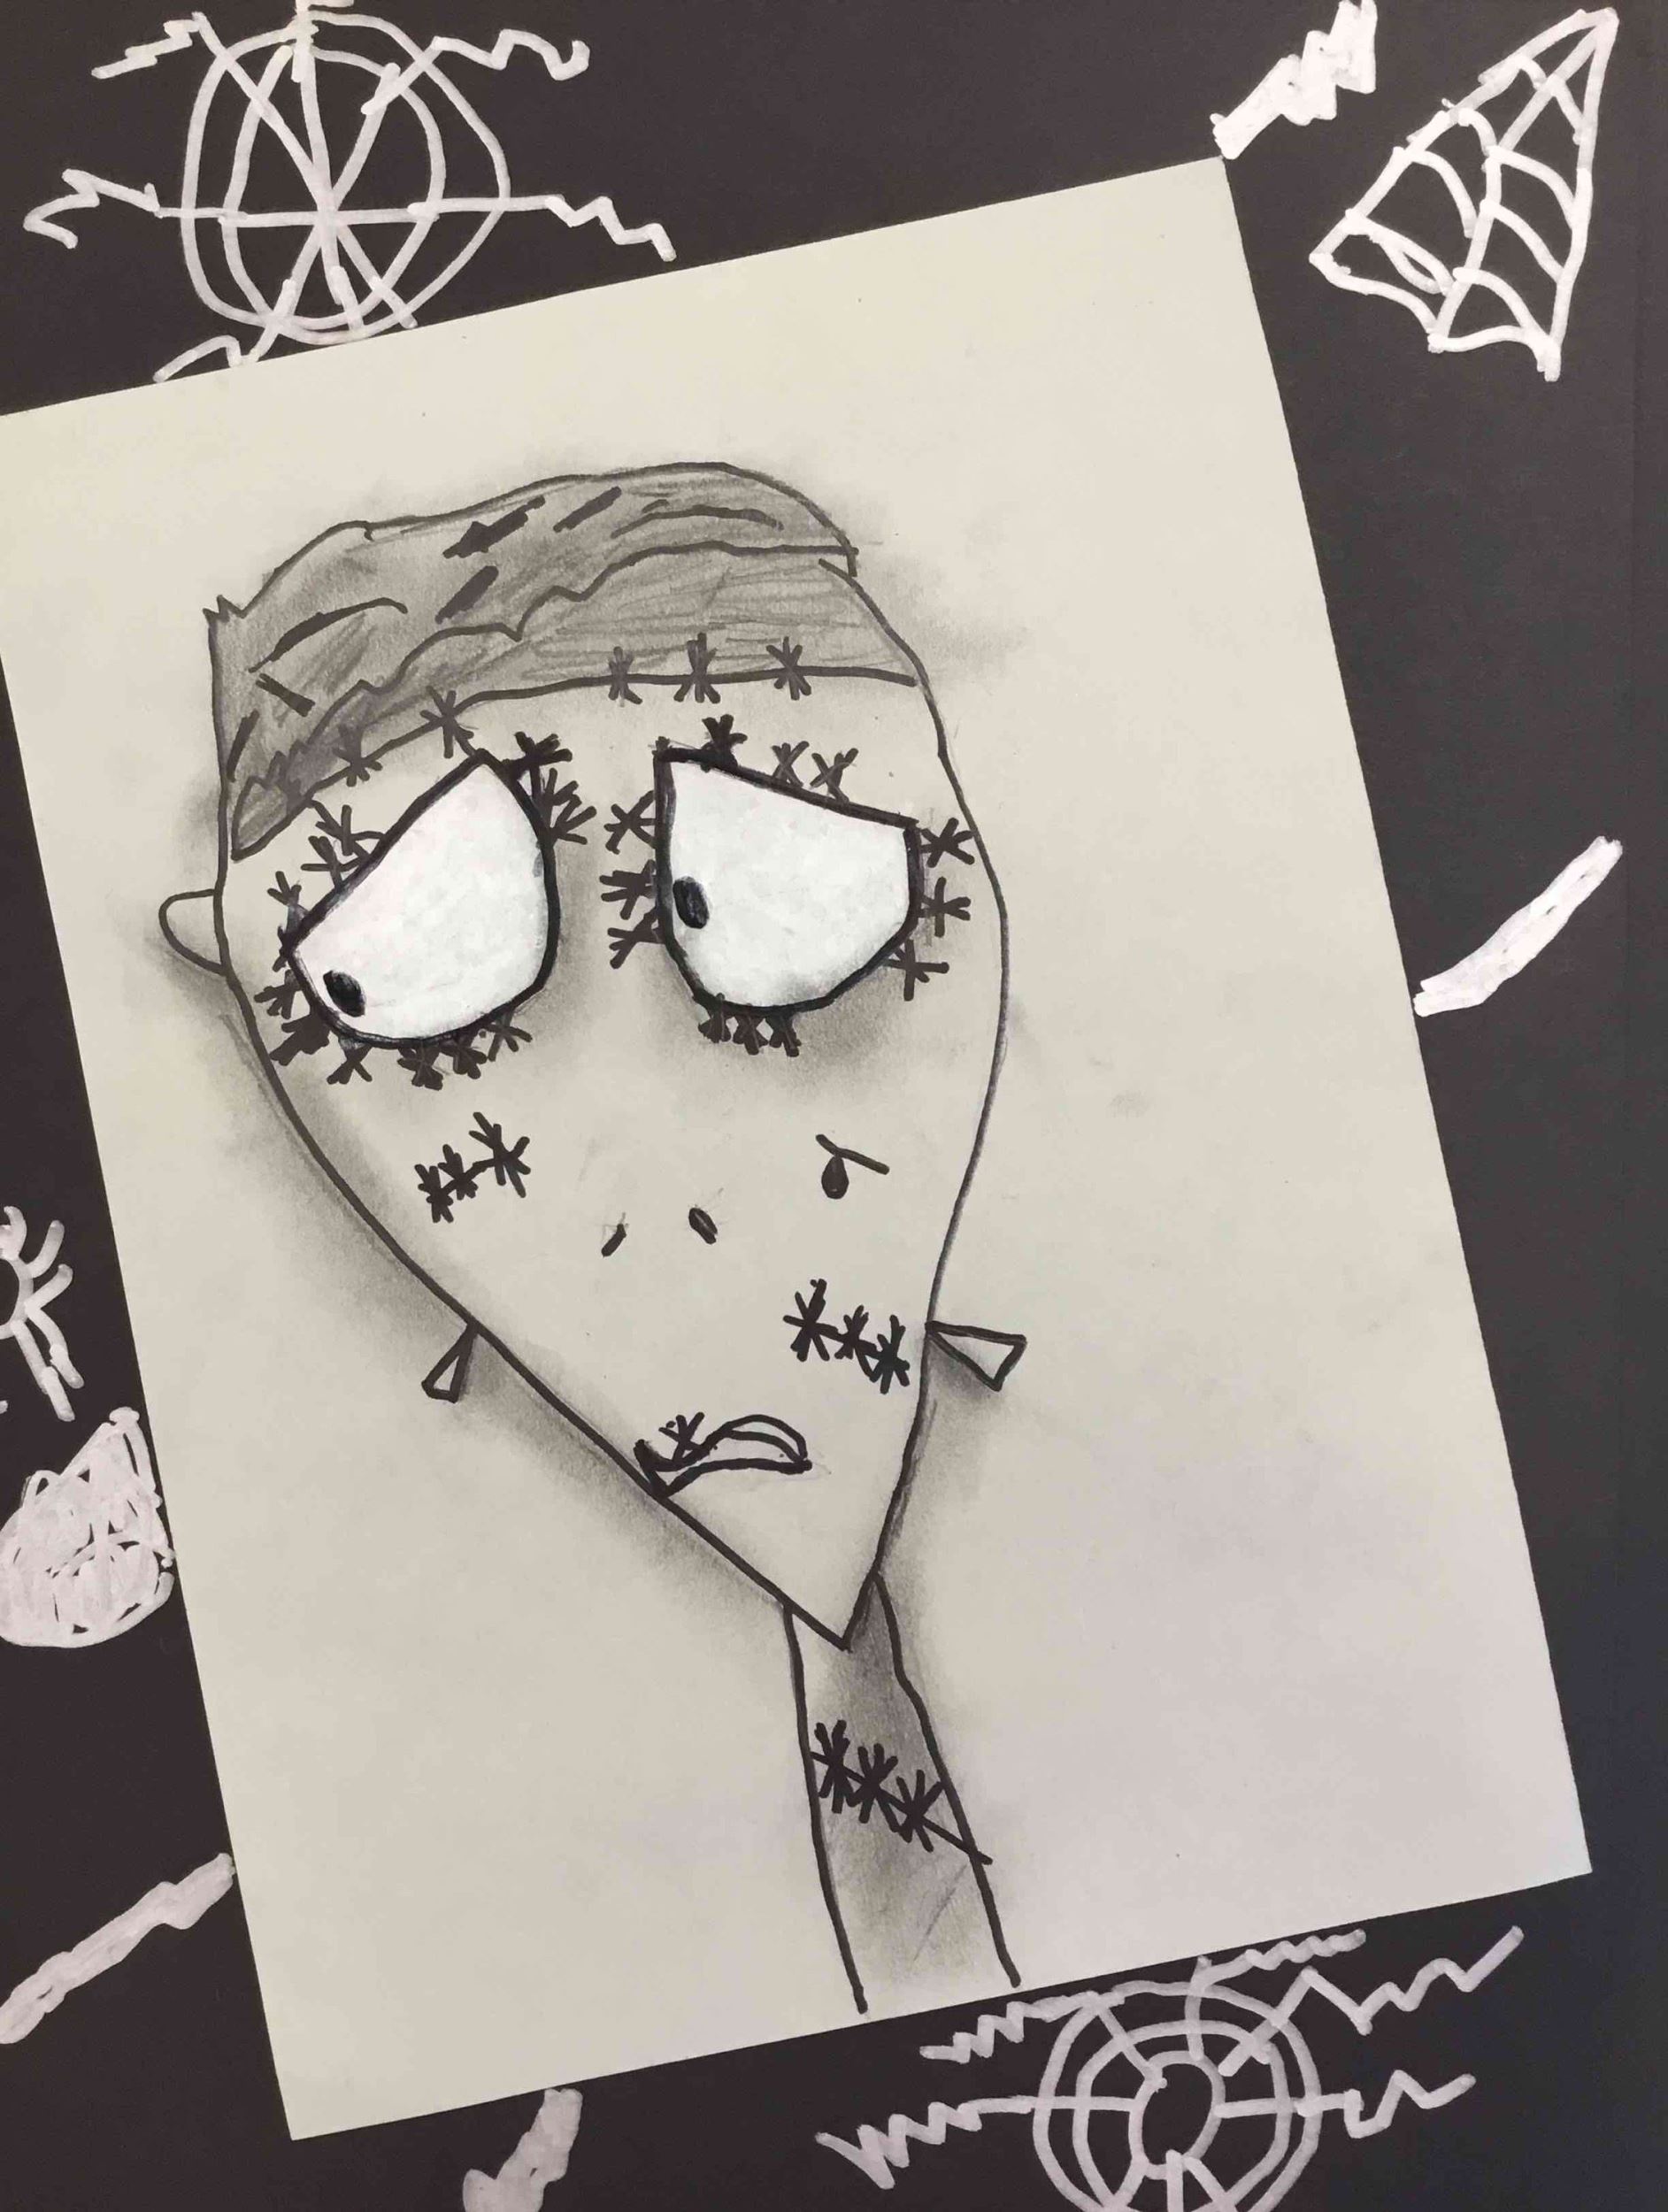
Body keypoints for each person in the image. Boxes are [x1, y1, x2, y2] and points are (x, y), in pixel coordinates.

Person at [162, 463, 1021, 2008]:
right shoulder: (359, 1681)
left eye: (805, 892)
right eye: (404, 974)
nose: (660, 1173)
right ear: (239, 965)